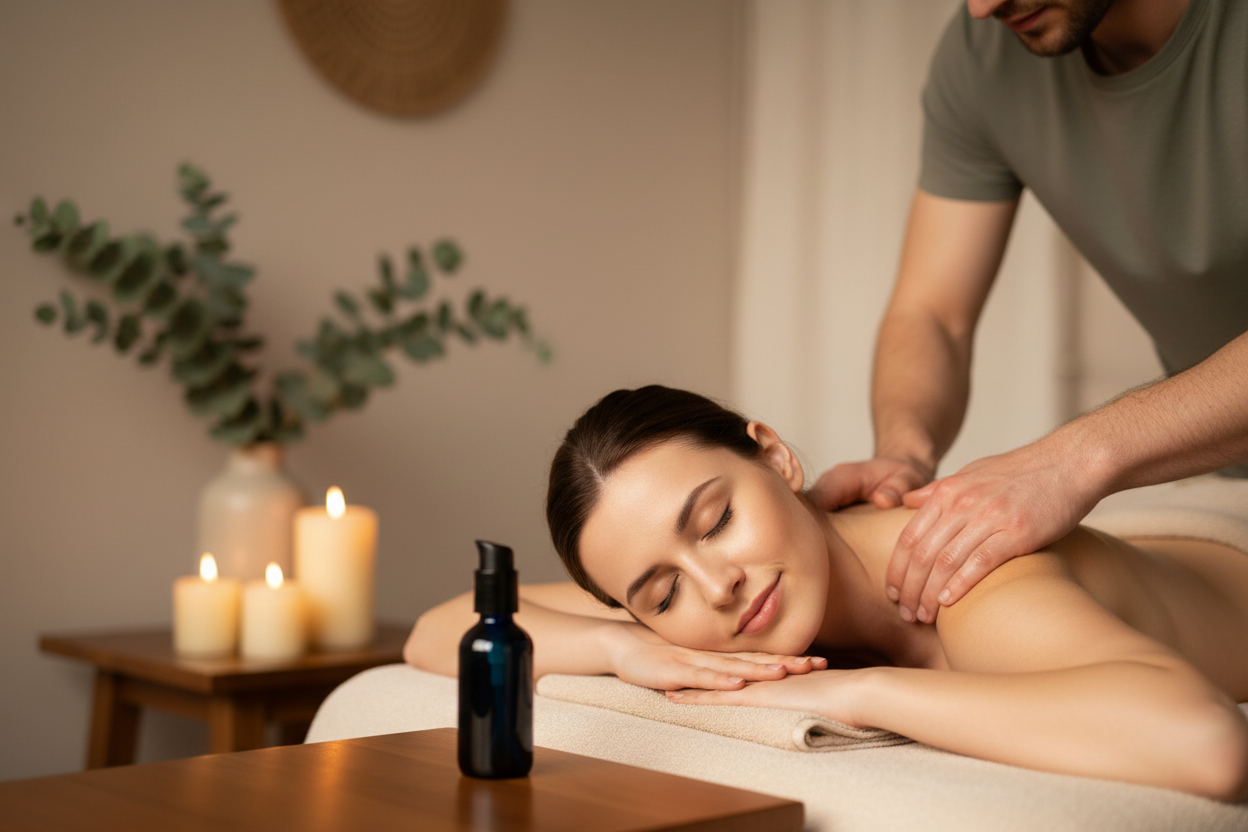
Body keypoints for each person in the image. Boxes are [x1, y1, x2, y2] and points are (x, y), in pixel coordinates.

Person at [406, 386, 1248, 800]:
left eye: (717, 519)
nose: (718, 584)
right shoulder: (691, 608)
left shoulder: (971, 575)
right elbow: (440, 628)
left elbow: (1204, 744)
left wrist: (859, 689)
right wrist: (627, 647)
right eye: (660, 594)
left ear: (776, 459)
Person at [809, 0, 1248, 627]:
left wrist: (1075, 459)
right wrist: (905, 450)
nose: (983, 7)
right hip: (1227, 484)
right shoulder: (982, 54)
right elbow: (933, 310)